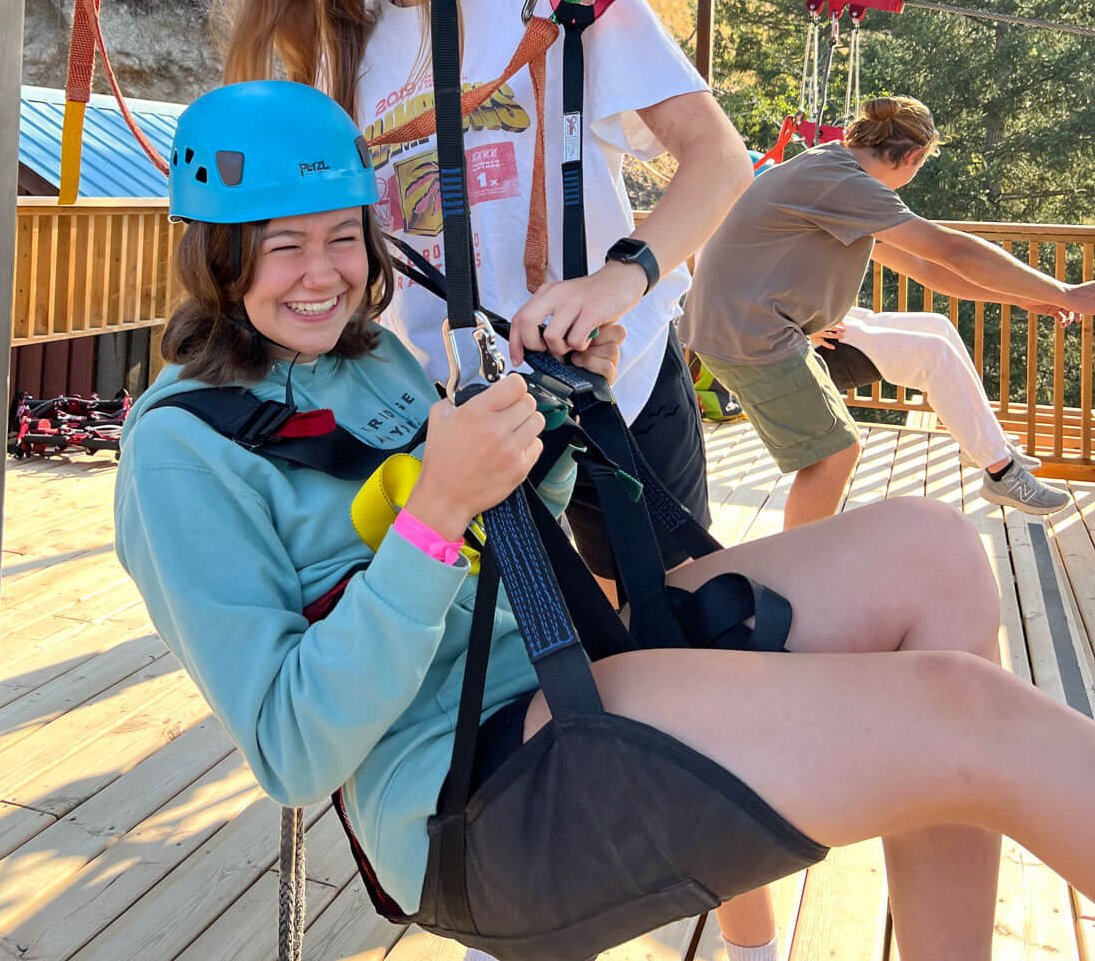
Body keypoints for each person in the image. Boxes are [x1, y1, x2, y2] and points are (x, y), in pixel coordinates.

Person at [115, 81, 1095, 961]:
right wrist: (435, 511)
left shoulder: (365, 358)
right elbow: (291, 751)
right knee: (966, 716)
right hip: (473, 793)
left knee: (935, 550)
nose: (322, 272)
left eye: (340, 235)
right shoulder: (181, 450)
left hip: (561, 659)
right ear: (219, 249)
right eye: (283, 244)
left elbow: (500, 541)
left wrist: (555, 416)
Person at [216, 0, 754, 590]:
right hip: (458, 409)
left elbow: (720, 160)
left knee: (661, 620)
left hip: (608, 379)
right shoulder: (344, 54)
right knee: (510, 655)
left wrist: (618, 281)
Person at [681, 96, 1095, 530]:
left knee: (936, 327)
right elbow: (950, 250)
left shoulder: (830, 168)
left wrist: (1022, 298)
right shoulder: (844, 183)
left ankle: (995, 455)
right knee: (836, 453)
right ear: (913, 156)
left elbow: (925, 267)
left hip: (752, 323)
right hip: (747, 334)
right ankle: (799, 566)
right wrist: (1067, 293)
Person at [810, 305, 1062, 514]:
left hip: (829, 313)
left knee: (938, 325)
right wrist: (801, 329)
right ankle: (1001, 472)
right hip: (806, 337)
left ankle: (983, 444)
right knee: (934, 353)